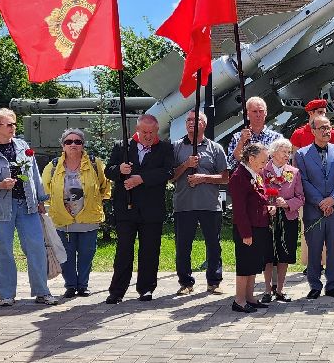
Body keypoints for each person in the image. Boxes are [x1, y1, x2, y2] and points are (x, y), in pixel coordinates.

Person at [0, 109, 58, 307]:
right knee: (4, 250)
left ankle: (42, 292)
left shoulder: (22, 146)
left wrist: (40, 200)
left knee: (36, 247)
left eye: (14, 124)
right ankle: (6, 295)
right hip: (0, 208)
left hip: (27, 204)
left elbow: (34, 174)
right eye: (9, 124)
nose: (13, 128)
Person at [104, 114, 174, 304]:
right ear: (137, 130)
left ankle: (146, 288)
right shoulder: (122, 147)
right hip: (126, 208)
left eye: (152, 132)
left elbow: (168, 172)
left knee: (150, 250)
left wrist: (141, 179)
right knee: (124, 250)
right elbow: (108, 171)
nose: (148, 136)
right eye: (144, 132)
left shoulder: (165, 148)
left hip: (152, 209)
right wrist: (120, 170)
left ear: (157, 130)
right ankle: (117, 291)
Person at [41, 128, 110, 297]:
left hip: (88, 218)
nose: (73, 145)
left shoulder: (95, 164)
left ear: (83, 145)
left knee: (87, 254)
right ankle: (71, 285)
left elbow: (104, 186)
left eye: (77, 142)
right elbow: (45, 190)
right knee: (66, 254)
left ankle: (83, 285)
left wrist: (95, 202)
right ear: (63, 146)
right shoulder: (53, 166)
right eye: (69, 142)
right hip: (63, 219)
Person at [172, 111, 230, 295]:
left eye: (195, 119)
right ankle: (185, 282)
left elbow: (225, 177)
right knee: (183, 246)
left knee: (213, 245)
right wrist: (186, 165)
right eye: (188, 120)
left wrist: (203, 178)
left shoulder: (215, 148)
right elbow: (170, 176)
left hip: (210, 205)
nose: (191, 122)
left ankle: (214, 282)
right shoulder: (176, 147)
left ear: (204, 124)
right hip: (184, 205)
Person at [298, 115, 334, 298]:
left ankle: (332, 285)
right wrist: (320, 201)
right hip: (314, 210)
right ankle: (314, 285)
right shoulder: (302, 154)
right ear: (313, 131)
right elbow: (303, 180)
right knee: (314, 249)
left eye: (328, 127)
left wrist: (333, 199)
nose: (326, 131)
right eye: (322, 128)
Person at [227, 142, 272, 313]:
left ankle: (250, 297)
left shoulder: (254, 173)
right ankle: (239, 300)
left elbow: (259, 197)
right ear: (251, 159)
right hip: (247, 228)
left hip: (259, 225)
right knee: (245, 264)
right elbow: (239, 209)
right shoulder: (239, 176)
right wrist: (246, 233)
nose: (265, 165)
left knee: (253, 263)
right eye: (263, 161)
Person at [263, 138, 303, 302]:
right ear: (273, 153)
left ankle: (280, 290)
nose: (288, 155)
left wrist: (286, 203)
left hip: (288, 217)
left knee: (284, 254)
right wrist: (271, 203)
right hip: (268, 217)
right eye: (284, 152)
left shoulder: (294, 172)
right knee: (268, 254)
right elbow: (260, 192)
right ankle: (267, 291)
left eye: (289, 152)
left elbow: (300, 197)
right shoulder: (263, 170)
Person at [227, 96, 284, 169]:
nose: (258, 115)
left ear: (265, 113)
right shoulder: (237, 137)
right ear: (247, 114)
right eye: (254, 111)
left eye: (261, 111)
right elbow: (231, 164)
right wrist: (241, 142)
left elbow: (283, 163)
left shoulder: (277, 138)